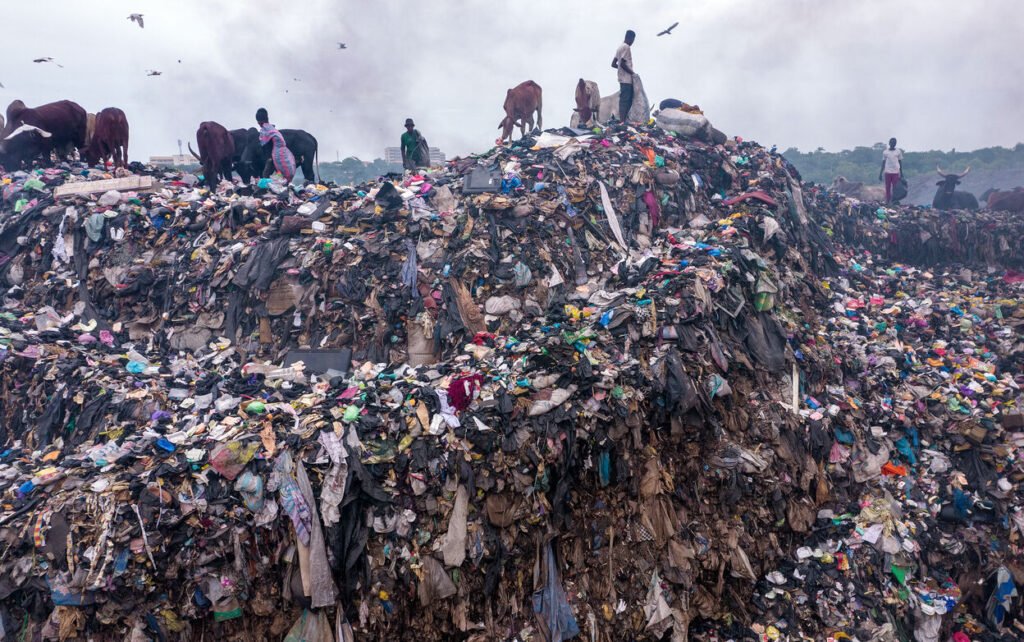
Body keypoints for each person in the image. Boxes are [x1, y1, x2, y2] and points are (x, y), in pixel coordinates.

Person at [256, 107, 296, 183]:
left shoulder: (265, 129)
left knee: (265, 174)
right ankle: (282, 185)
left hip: (276, 154)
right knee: (280, 172)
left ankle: (264, 188)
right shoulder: (272, 128)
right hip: (284, 153)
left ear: (259, 122)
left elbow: (263, 143)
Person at [611, 30, 636, 123]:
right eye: (633, 40)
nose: (633, 42)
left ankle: (623, 120)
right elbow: (623, 64)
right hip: (627, 79)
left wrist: (621, 70)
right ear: (631, 38)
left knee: (624, 99)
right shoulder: (626, 47)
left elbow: (614, 64)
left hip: (621, 78)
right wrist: (632, 73)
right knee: (626, 100)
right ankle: (623, 120)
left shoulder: (620, 47)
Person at [879, 137, 903, 203]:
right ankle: (888, 200)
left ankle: (895, 200)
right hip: (887, 172)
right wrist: (880, 173)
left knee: (895, 188)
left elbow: (900, 162)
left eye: (894, 143)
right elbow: (883, 162)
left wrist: (901, 173)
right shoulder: (885, 152)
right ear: (889, 143)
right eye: (892, 143)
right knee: (888, 187)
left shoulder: (898, 151)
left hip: (896, 172)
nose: (893, 144)